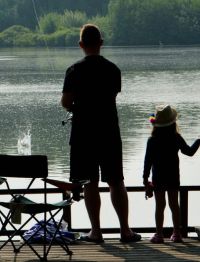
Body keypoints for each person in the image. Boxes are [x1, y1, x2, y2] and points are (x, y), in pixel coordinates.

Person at [61, 24, 141, 243]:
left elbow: (66, 102)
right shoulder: (113, 69)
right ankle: (125, 230)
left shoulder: (74, 70)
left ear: (80, 44)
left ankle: (96, 232)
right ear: (101, 43)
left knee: (90, 183)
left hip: (83, 135)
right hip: (109, 132)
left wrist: (75, 107)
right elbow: (111, 97)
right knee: (116, 181)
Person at [143, 104, 200, 243]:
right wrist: (199, 139)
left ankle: (159, 234)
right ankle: (177, 234)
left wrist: (145, 179)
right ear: (173, 123)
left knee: (160, 206)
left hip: (158, 177)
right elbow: (189, 152)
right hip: (173, 176)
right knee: (174, 205)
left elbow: (147, 161)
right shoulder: (176, 137)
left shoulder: (152, 139)